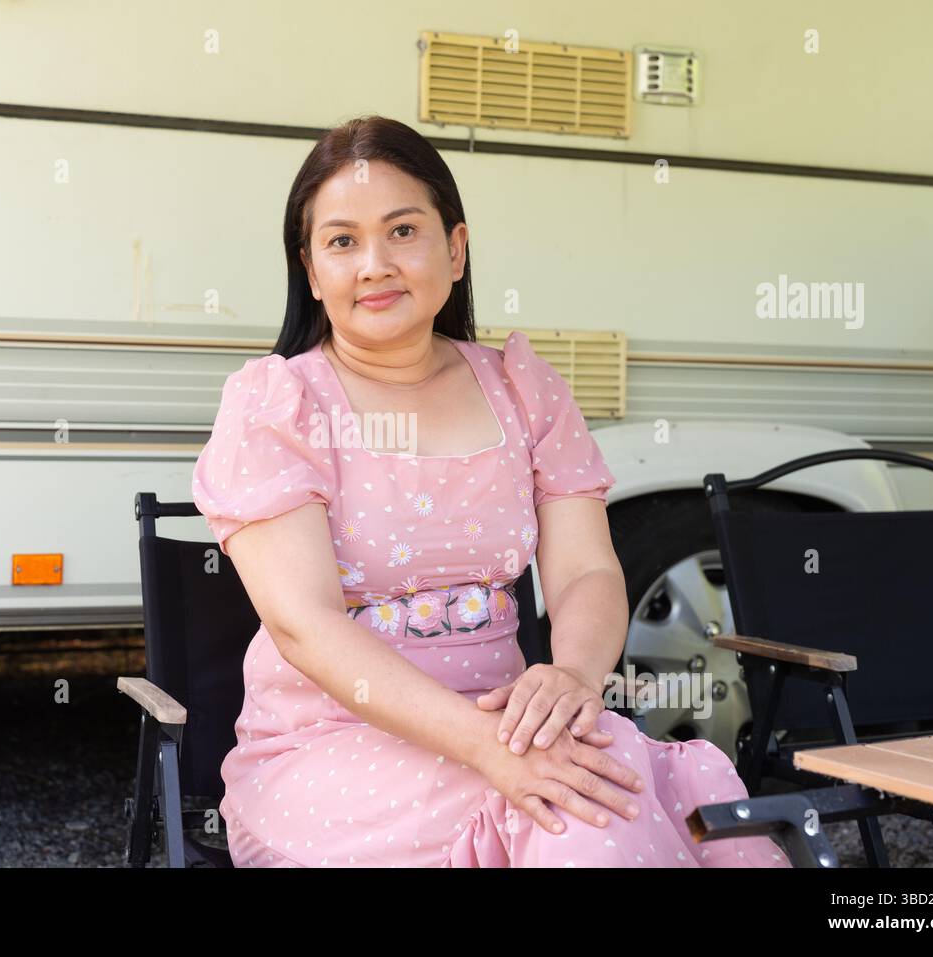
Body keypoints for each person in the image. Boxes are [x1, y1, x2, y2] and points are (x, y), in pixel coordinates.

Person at [192, 114, 791, 868]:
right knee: (584, 810)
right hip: (334, 752)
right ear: (312, 270)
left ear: (456, 247)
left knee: (628, 799)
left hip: (516, 731)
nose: (374, 263)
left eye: (403, 230)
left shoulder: (522, 390)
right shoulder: (278, 406)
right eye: (342, 241)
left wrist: (572, 679)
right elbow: (306, 625)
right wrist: (489, 749)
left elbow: (586, 572)